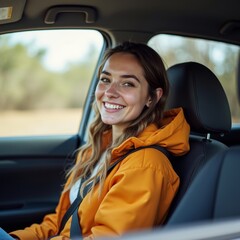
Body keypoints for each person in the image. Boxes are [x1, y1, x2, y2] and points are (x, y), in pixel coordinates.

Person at [10, 42, 190, 240]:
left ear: (152, 97)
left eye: (127, 83)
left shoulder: (145, 165)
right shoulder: (96, 150)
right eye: (105, 79)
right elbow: (59, 223)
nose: (110, 92)